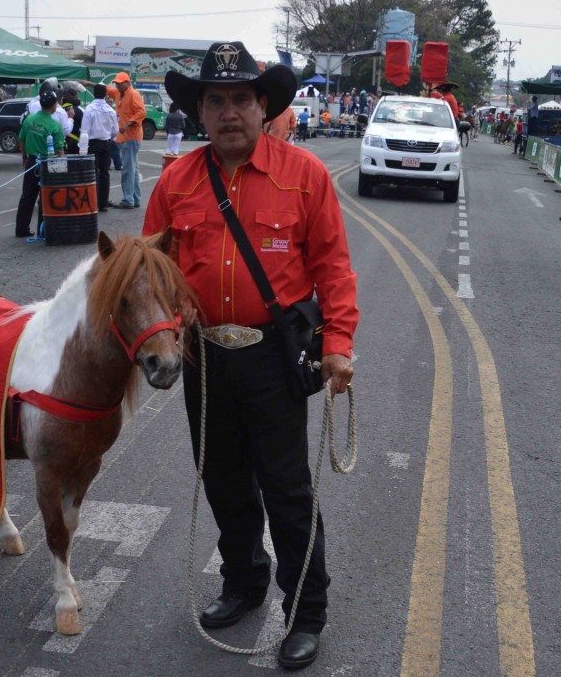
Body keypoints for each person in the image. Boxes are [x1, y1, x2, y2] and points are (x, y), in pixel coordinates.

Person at [143, 40, 358, 670]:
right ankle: (244, 580)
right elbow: (152, 272)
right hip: (204, 360)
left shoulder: (304, 175)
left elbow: (334, 271)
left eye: (242, 99)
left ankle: (306, 611)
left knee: (288, 490)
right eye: (217, 101)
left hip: (274, 359)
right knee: (225, 482)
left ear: (263, 107)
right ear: (200, 112)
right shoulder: (175, 182)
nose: (229, 112)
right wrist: (162, 326)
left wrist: (339, 346)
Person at [14, 89, 64, 238]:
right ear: (54, 106)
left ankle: (21, 229)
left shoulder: (29, 119)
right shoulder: (54, 125)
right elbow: (59, 151)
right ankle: (43, 230)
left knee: (27, 196)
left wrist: (24, 156)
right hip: (47, 165)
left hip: (31, 162)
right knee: (45, 198)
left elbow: (21, 139)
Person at [109, 72, 146, 209]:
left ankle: (128, 199)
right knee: (133, 169)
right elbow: (107, 90)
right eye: (116, 84)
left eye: (119, 83)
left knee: (128, 170)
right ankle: (134, 199)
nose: (117, 86)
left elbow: (141, 112)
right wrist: (89, 84)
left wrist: (127, 124)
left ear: (126, 83)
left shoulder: (133, 94)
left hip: (131, 136)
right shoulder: (119, 93)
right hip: (128, 137)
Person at [84, 83, 119, 212]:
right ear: (105, 94)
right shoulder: (110, 110)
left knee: (93, 173)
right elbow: (116, 130)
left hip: (92, 143)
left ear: (94, 93)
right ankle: (103, 202)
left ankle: (94, 202)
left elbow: (84, 130)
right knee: (105, 173)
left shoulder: (89, 109)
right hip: (106, 143)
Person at [60, 87, 84, 154]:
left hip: (60, 142)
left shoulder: (59, 109)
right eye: (77, 96)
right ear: (74, 96)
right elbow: (84, 127)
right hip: (74, 143)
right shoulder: (78, 110)